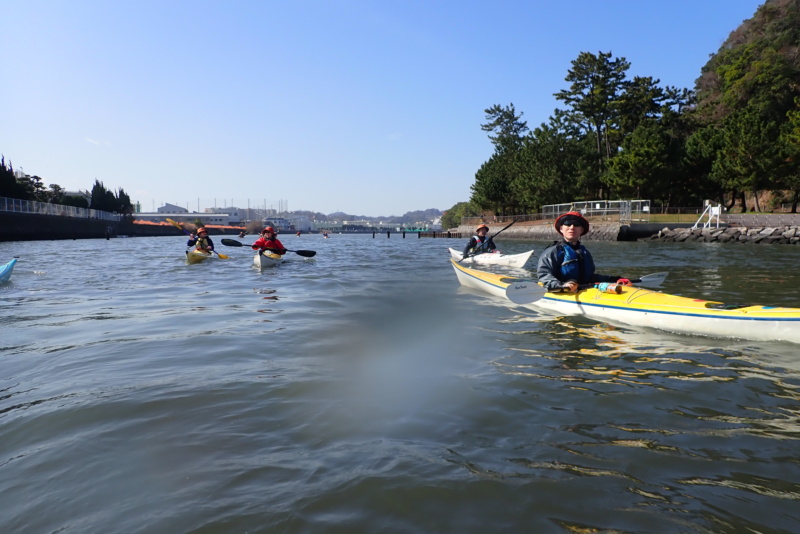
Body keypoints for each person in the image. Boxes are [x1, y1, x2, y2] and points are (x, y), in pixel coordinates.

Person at [537, 211, 630, 292]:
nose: (572, 227)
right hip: (561, 290)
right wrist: (561, 285)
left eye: (577, 224)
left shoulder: (584, 252)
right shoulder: (553, 251)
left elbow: (590, 277)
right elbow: (544, 274)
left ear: (581, 230)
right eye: (568, 223)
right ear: (561, 228)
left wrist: (615, 279)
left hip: (583, 291)